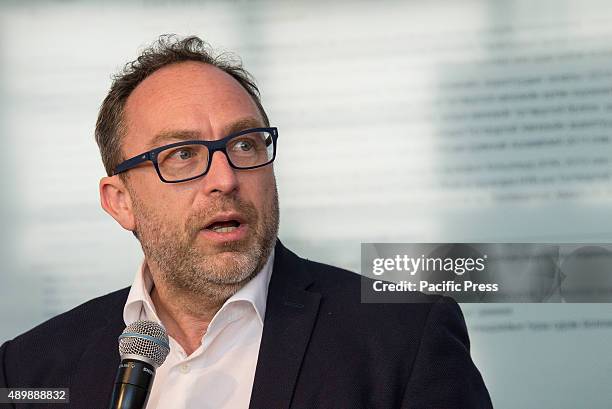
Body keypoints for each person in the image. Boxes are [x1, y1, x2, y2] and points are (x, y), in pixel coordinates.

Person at [0, 35, 493, 409]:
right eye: (183, 154)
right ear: (120, 201)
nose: (225, 178)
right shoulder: (30, 369)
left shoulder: (403, 338)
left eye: (244, 145)